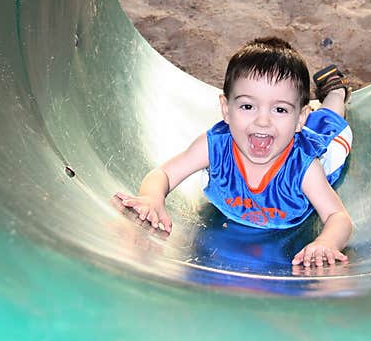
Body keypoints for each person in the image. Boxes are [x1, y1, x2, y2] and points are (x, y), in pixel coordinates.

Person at [114, 37, 354, 267]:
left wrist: (326, 242)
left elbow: (339, 217)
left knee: (328, 120)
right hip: (286, 134)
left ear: (300, 117)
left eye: (280, 109)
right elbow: (163, 174)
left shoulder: (305, 167)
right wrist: (152, 198)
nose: (263, 121)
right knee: (309, 120)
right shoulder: (214, 146)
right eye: (248, 106)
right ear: (226, 109)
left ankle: (335, 92)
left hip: (321, 150)